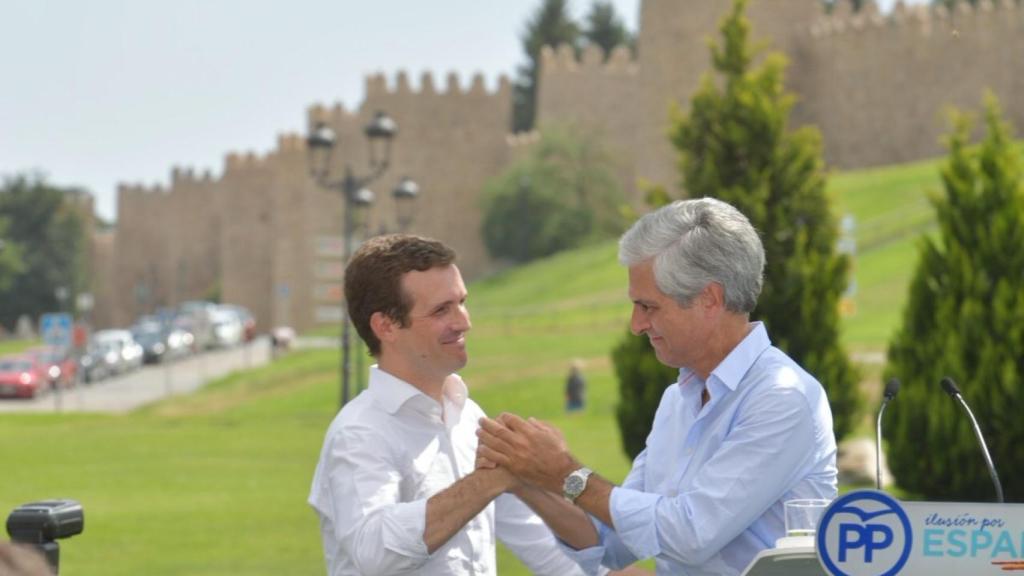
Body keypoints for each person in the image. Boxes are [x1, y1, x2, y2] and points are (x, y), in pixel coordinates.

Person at [476, 197, 838, 576]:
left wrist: (566, 473)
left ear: (709, 299)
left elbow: (690, 535)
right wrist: (524, 479)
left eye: (648, 307)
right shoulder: (678, 399)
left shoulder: (782, 396)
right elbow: (613, 542)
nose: (636, 325)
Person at [307, 234, 588, 576]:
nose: (464, 321)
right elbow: (375, 552)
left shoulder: (469, 416)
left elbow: (540, 545)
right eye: (442, 309)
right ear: (386, 326)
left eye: (461, 302)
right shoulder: (359, 434)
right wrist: (486, 482)